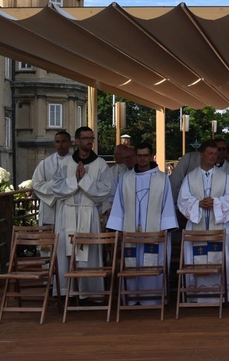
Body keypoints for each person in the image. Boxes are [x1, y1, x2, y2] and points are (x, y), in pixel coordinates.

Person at [107, 142, 178, 304]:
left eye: (145, 156)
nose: (142, 159)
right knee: (132, 263)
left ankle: (153, 299)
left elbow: (167, 205)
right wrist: (119, 228)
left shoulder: (162, 179)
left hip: (155, 234)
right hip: (131, 233)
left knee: (154, 263)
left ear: (152, 156)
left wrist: (165, 228)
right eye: (139, 156)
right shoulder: (126, 178)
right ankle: (132, 298)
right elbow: (119, 205)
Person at [51, 126, 112, 296]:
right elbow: (56, 187)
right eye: (85, 138)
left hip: (88, 212)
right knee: (65, 255)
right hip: (67, 212)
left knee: (88, 255)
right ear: (77, 141)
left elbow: (105, 190)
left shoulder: (100, 164)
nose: (89, 141)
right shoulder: (65, 163)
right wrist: (74, 180)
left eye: (91, 138)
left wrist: (85, 180)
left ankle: (89, 292)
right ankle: (66, 292)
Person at [177, 140, 229, 302]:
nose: (213, 157)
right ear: (201, 155)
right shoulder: (190, 177)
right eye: (210, 153)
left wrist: (215, 203)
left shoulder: (224, 177)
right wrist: (198, 203)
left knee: (222, 257)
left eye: (216, 154)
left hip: (219, 224)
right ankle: (198, 296)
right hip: (198, 225)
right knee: (197, 258)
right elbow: (183, 200)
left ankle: (222, 295)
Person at [32, 130, 72, 227]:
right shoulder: (45, 164)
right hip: (49, 208)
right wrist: (57, 187)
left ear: (70, 143)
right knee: (49, 239)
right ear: (54, 144)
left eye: (63, 141)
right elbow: (36, 184)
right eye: (58, 142)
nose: (60, 144)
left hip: (69, 207)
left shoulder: (76, 162)